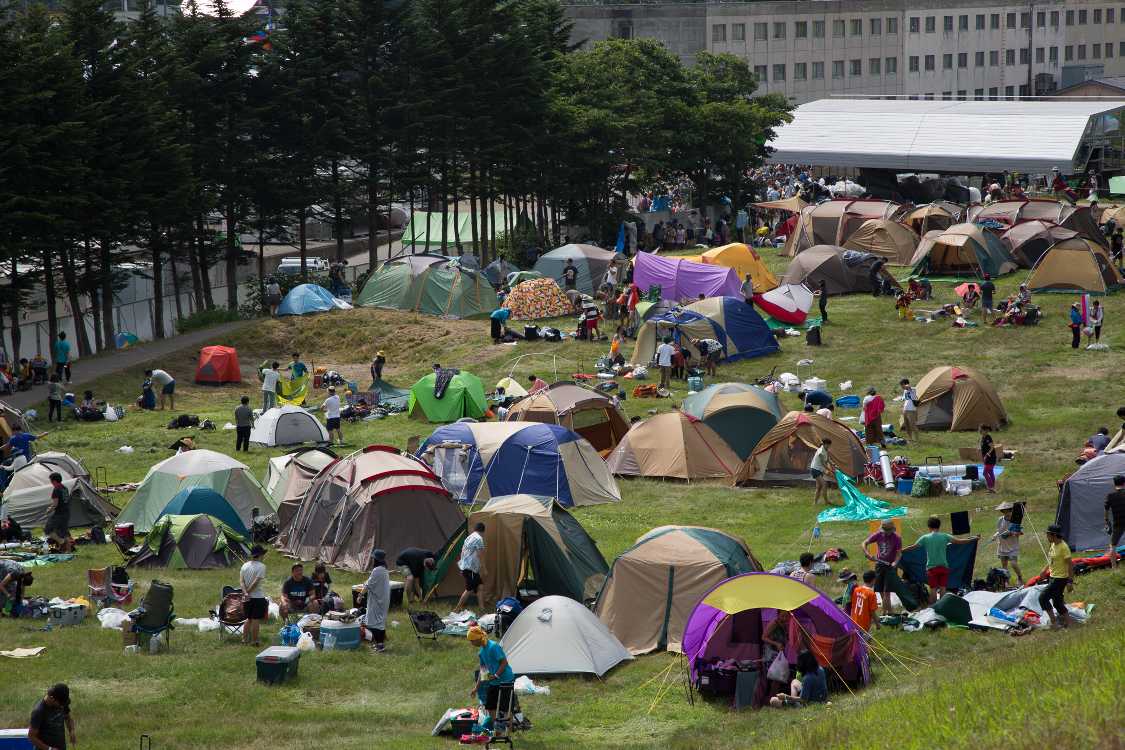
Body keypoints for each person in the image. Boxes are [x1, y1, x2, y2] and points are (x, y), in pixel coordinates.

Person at [468, 625, 514, 708]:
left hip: (505, 680)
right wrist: (476, 688)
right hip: (494, 683)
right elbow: (483, 672)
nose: (471, 643)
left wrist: (496, 675)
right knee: (490, 707)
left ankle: (507, 721)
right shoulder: (482, 652)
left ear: (478, 638)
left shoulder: (493, 646)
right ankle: (494, 721)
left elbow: (504, 663)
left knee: (506, 708)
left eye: (472, 641)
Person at [864, 520, 902, 616]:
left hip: (890, 567)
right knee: (880, 590)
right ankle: (886, 611)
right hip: (879, 565)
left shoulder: (897, 538)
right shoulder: (878, 535)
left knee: (887, 592)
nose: (885, 533)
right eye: (884, 531)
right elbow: (864, 543)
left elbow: (898, 554)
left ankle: (889, 613)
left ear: (891, 530)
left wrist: (895, 562)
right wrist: (867, 553)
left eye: (887, 531)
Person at [915, 516, 954, 604]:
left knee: (933, 589)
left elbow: (913, 547)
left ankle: (934, 609)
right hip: (944, 567)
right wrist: (973, 539)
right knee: (943, 588)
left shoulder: (925, 538)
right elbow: (960, 541)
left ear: (929, 527)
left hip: (931, 568)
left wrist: (901, 551)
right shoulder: (945, 536)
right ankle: (943, 607)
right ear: (939, 526)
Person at [1040, 525, 1073, 629]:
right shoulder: (1053, 544)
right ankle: (1069, 623)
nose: (1046, 537)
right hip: (1053, 577)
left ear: (1054, 535)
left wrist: (1070, 581)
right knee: (1057, 603)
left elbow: (1070, 565)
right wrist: (1044, 570)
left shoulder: (1064, 547)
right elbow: (1051, 560)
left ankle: (1054, 622)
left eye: (1048, 534)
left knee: (1042, 598)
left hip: (1060, 579)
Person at [28, 683, 76, 750]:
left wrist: (72, 731)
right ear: (52, 698)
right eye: (60, 704)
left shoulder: (61, 702)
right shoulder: (39, 711)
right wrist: (49, 749)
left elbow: (68, 718)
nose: (62, 706)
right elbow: (31, 737)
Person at [239, 545, 268, 646]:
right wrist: (248, 592)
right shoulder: (262, 567)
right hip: (257, 597)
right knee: (255, 620)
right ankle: (255, 640)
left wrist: (245, 592)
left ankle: (244, 639)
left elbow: (241, 581)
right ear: (260, 555)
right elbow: (255, 582)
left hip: (246, 598)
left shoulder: (244, 565)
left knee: (248, 619)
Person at [454, 522, 486, 613]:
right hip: (471, 569)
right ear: (483, 531)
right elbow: (480, 555)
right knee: (469, 589)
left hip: (467, 567)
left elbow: (463, 551)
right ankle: (457, 608)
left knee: (480, 586)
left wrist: (462, 566)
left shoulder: (469, 537)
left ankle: (482, 608)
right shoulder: (479, 538)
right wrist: (484, 568)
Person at [363, 549, 391, 652]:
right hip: (383, 598)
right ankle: (380, 644)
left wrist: (360, 594)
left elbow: (368, 584)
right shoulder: (384, 569)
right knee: (380, 622)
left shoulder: (377, 570)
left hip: (377, 600)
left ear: (376, 559)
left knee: (374, 623)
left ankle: (380, 645)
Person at [992, 501, 1024, 585]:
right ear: (1002, 512)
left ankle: (1020, 577)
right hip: (1002, 546)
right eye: (1004, 511)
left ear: (1011, 510)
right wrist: (995, 536)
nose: (1007, 513)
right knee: (1004, 566)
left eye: (1009, 511)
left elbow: (1020, 533)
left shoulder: (1015, 521)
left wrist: (1011, 533)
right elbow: (999, 531)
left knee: (1013, 563)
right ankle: (1006, 581)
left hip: (1013, 546)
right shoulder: (1000, 520)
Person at [44, 473, 72, 552]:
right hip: (66, 513)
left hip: (59, 514)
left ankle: (61, 542)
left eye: (51, 481)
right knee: (64, 532)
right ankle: (68, 552)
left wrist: (48, 510)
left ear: (54, 481)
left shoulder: (56, 489)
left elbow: (55, 504)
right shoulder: (65, 488)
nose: (51, 482)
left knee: (48, 529)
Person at [1105, 475, 1125, 570]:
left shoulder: (1110, 496)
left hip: (1118, 523)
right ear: (1124, 483)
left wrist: (1106, 521)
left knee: (1113, 545)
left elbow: (1106, 510)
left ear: (1114, 484)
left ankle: (1114, 567)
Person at [809, 438, 832, 505]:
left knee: (819, 487)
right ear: (825, 444)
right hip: (815, 469)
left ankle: (815, 503)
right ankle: (826, 501)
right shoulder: (821, 451)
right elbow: (823, 463)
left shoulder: (826, 450)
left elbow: (827, 460)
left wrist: (833, 464)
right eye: (828, 445)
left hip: (819, 470)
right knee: (824, 484)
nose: (829, 446)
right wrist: (830, 470)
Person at [980, 424, 998, 493]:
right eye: (979, 430)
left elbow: (992, 446)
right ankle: (992, 488)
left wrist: (988, 454)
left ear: (985, 430)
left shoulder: (988, 437)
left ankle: (990, 488)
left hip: (990, 458)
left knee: (985, 473)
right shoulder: (983, 437)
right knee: (990, 472)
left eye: (981, 430)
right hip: (986, 458)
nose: (980, 431)